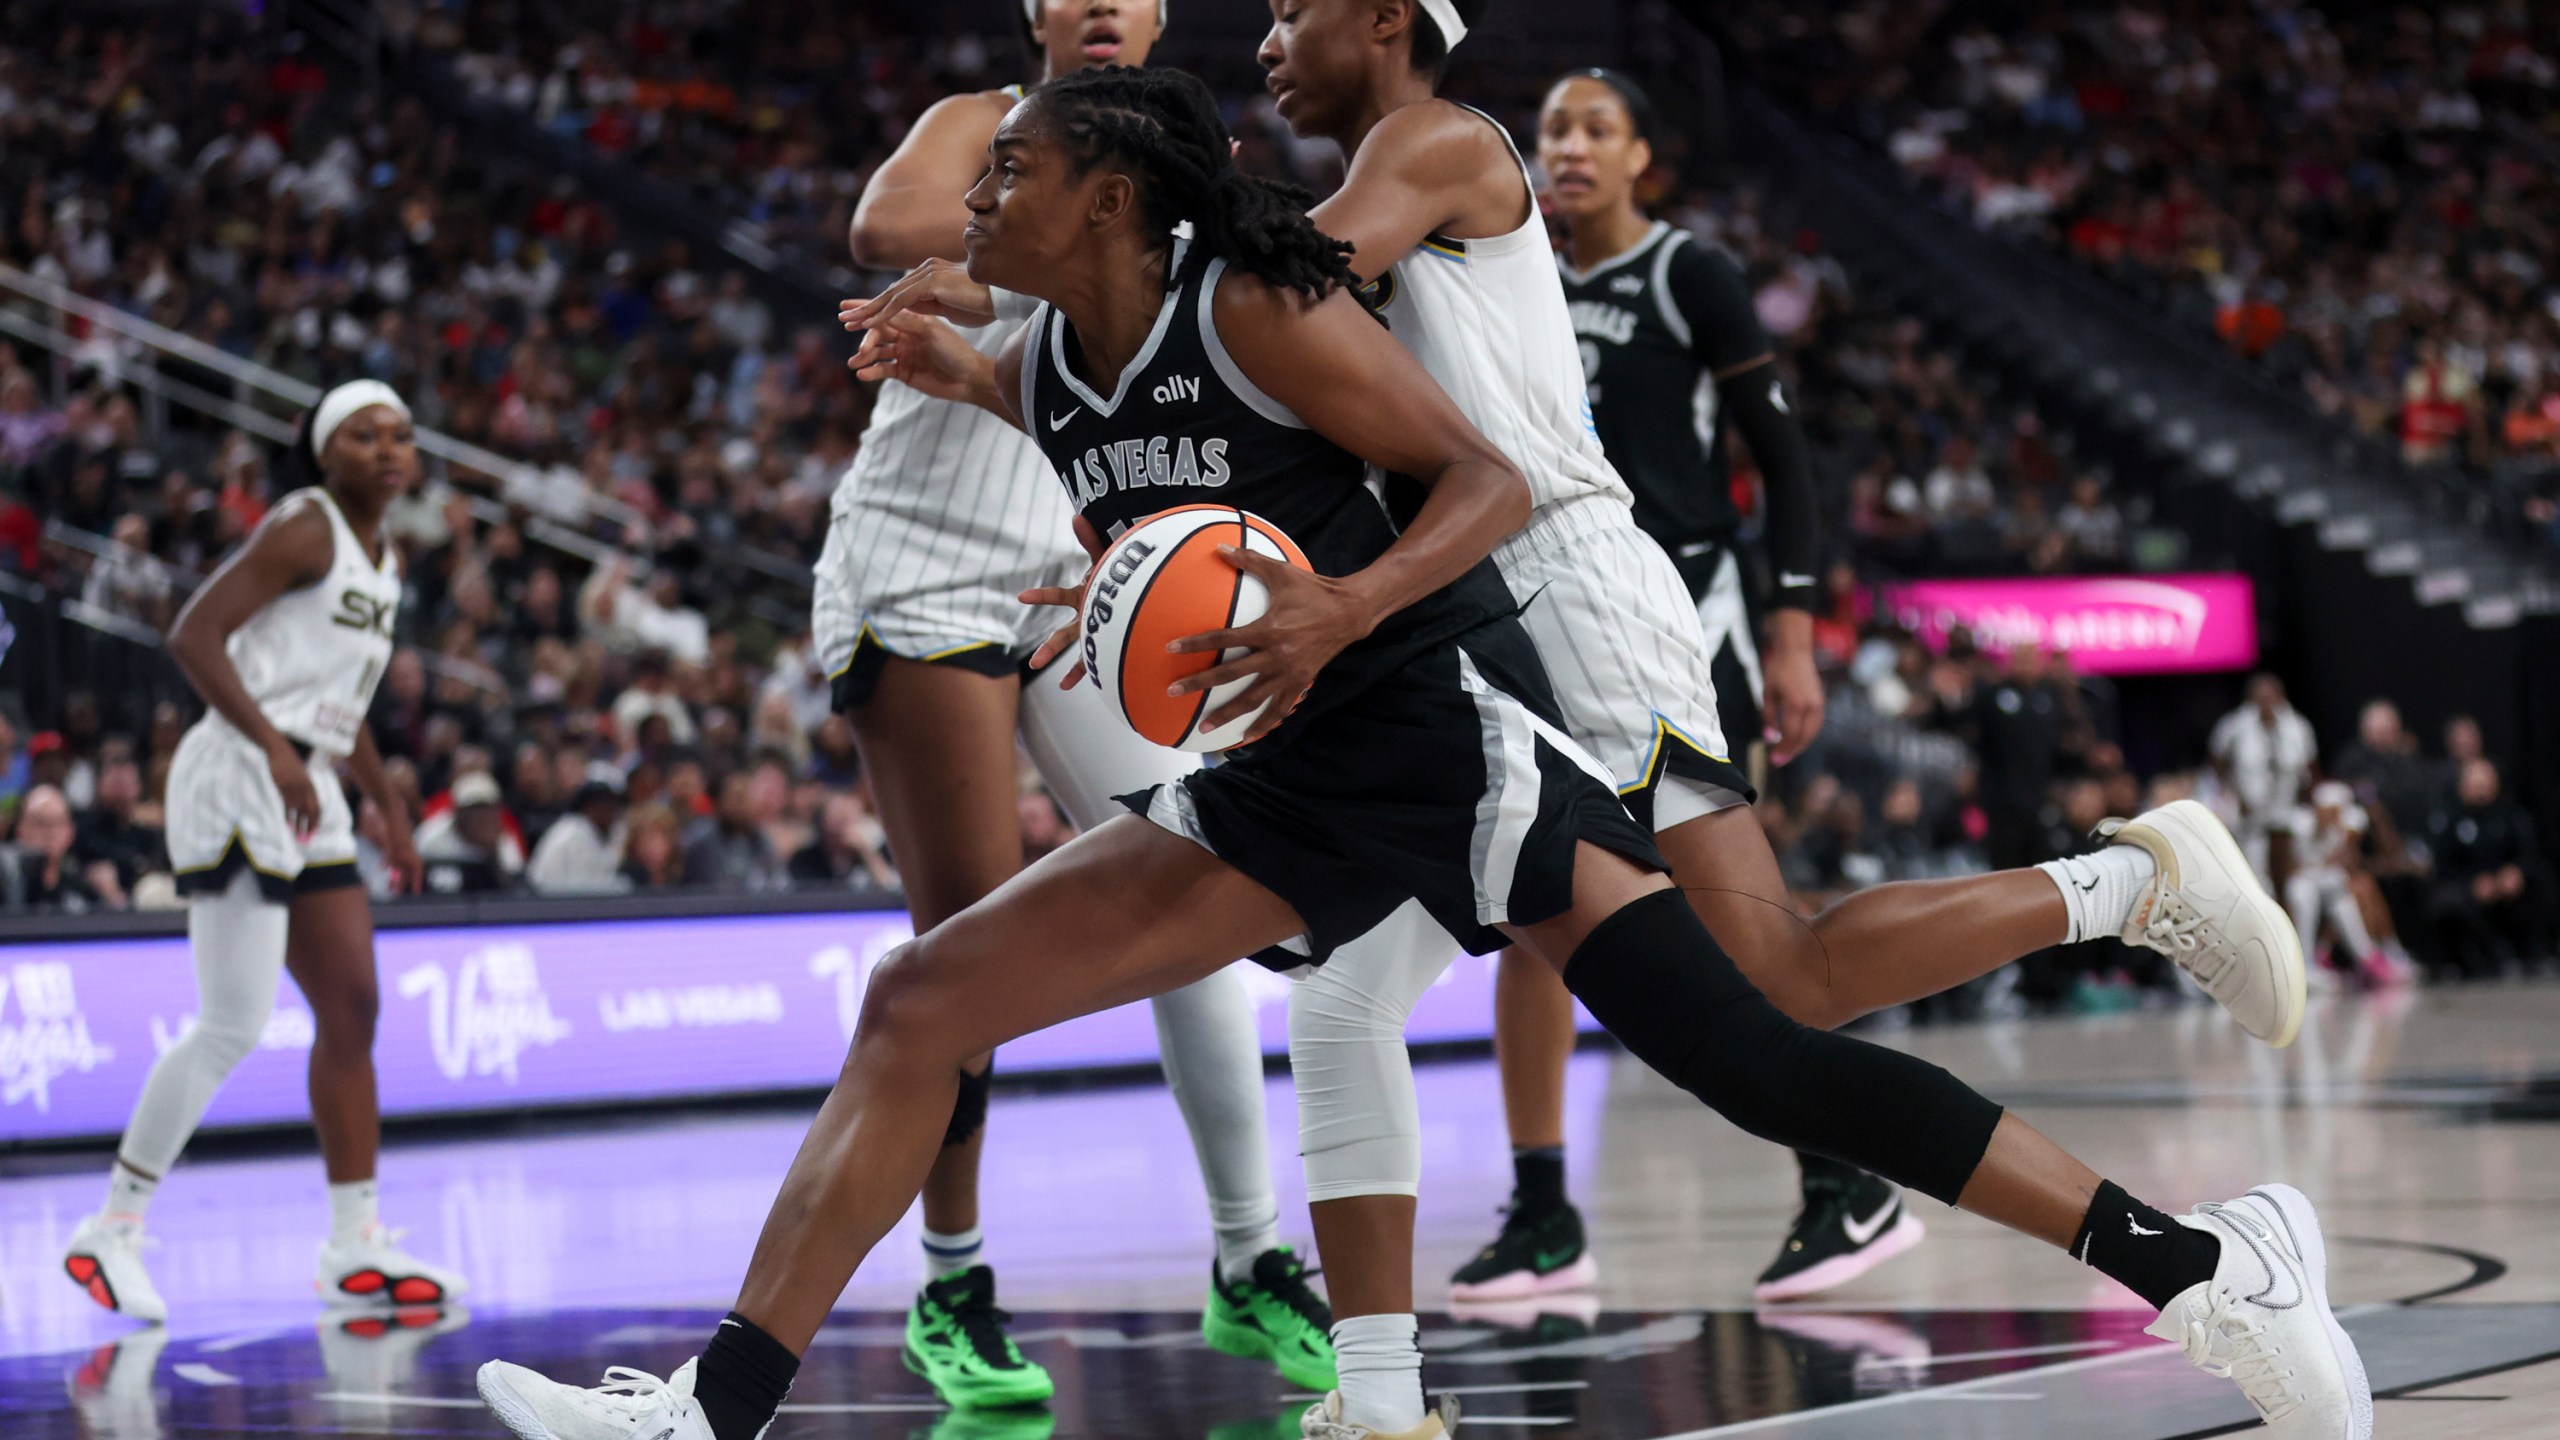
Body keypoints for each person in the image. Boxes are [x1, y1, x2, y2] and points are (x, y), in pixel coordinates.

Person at [477, 65, 2368, 1440]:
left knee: (1761, 1059)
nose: (980, 206)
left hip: (1446, 743)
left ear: (1113, 201)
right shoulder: (1057, 363)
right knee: (920, 1000)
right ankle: (708, 1417)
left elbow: (1486, 481)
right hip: (1275, 794)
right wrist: (1081, 557)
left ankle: (2205, 1266)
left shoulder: (1259, 303)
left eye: (1012, 178)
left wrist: (1338, 611)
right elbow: (1151, 512)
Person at [1238, 3, 2303, 1378]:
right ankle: (1416, 1349)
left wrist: (1109, 250)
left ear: (1382, 17)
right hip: (1476, 608)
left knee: (1771, 987)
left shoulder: (1433, 141)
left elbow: (1281, 280)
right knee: (1360, 989)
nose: (1262, 30)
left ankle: (2127, 890)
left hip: (1566, 594)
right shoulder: (1381, 175)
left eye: (1285, 5)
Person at [812, 0, 1337, 1401]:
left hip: (1088, 559)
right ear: (1038, 12)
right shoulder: (980, 129)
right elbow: (889, 232)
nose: (1105, 1)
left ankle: (1247, 1259)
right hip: (927, 567)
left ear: (1162, 14)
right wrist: (1008, 257)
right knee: (969, 947)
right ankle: (955, 1283)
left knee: (1194, 879)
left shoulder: (1171, 165)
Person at [1494, 64, 1897, 1305]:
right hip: (1550, 622)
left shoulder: (1687, 274)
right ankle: (1544, 1209)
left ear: (1638, 161)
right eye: (1552, 128)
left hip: (1683, 625)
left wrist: (1787, 629)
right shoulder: (1511, 279)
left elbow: (1781, 459)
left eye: (1595, 129)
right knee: (1527, 907)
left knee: (1739, 923)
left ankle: (1846, 1181)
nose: (1566, 147)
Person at [63, 379, 462, 1324]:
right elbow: (193, 633)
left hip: (307, 778)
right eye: (363, 434)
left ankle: (353, 1242)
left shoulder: (385, 555)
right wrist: (278, 752)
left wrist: (388, 806)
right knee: (234, 1020)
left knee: (354, 1006)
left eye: (400, 435)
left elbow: (345, 698)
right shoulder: (304, 524)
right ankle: (111, 1229)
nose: (387, 449)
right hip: (243, 768)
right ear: (324, 453)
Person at [2209, 673, 2319, 885]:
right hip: (2250, 809)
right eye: (2260, 697)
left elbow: (2311, 767)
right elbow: (2217, 760)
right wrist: (2233, 793)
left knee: (2295, 874)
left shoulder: (2298, 727)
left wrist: (2304, 798)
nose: (2266, 703)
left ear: (2281, 697)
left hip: (2286, 805)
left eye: (2270, 697)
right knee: (2255, 874)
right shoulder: (2234, 726)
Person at [526, 779, 628, 894]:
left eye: (613, 805)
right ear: (588, 807)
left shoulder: (608, 832)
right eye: (604, 805)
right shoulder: (573, 832)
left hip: (575, 902)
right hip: (546, 900)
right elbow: (581, 888)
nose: (610, 811)